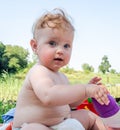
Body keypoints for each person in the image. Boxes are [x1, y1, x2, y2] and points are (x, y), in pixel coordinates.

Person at [12, 8, 110, 130]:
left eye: (66, 46)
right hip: (31, 125)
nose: (60, 51)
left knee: (90, 116)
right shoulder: (38, 72)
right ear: (35, 46)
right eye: (52, 43)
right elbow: (49, 96)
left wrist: (85, 93)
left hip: (62, 124)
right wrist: (84, 90)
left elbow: (70, 103)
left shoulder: (62, 77)